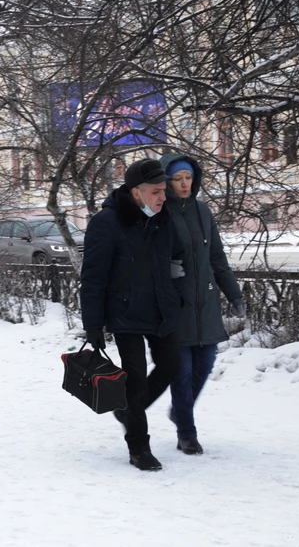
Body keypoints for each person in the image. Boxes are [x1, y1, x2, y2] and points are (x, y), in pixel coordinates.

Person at [80, 158, 186, 471]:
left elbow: (177, 259)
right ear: (136, 192)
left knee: (171, 366)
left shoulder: (163, 218)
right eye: (156, 191)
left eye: (164, 190)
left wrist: (177, 295)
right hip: (125, 312)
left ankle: (127, 410)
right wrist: (93, 324)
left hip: (160, 308)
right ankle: (139, 447)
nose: (163, 197)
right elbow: (93, 277)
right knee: (136, 378)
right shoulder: (106, 222)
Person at [161, 154, 245, 456]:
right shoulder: (158, 213)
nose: (184, 184)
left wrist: (234, 295)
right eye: (177, 179)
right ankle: (187, 433)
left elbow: (217, 258)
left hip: (206, 302)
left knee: (205, 364)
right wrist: (164, 268)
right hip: (176, 304)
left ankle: (179, 411)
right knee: (181, 372)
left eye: (188, 177)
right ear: (167, 182)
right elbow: (142, 257)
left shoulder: (203, 211)